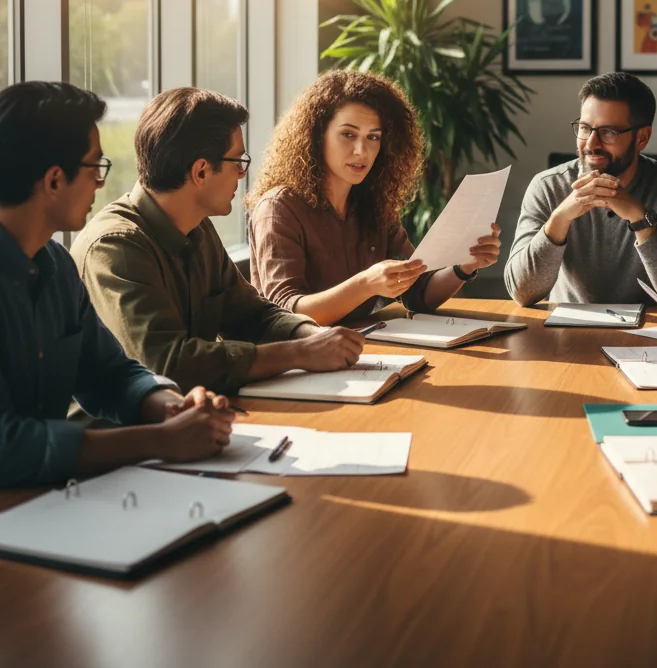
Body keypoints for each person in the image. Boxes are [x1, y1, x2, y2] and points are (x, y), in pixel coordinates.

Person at [0, 82, 235, 487]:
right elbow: (9, 446)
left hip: (54, 502)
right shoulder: (111, 243)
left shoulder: (56, 266)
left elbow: (109, 374)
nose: (101, 184)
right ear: (55, 181)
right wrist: (158, 440)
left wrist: (173, 408)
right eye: (95, 167)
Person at [71, 87, 365, 396]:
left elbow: (251, 315)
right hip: (124, 437)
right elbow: (167, 364)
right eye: (237, 162)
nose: (241, 174)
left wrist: (313, 336)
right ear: (200, 171)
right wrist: (300, 353)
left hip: (194, 418)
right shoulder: (116, 246)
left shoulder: (198, 228)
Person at [246, 70, 501, 324]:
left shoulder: (374, 205)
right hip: (299, 359)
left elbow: (418, 293)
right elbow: (285, 314)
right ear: (316, 135)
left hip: (362, 349)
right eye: (348, 134)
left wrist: (464, 266)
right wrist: (366, 284)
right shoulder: (279, 207)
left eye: (373, 137)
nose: (362, 150)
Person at [504, 72, 657, 306]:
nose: (591, 143)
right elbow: (522, 293)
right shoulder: (548, 186)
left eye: (608, 132)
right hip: (564, 332)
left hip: (651, 333)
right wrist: (561, 217)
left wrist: (640, 220)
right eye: (584, 128)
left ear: (642, 138)